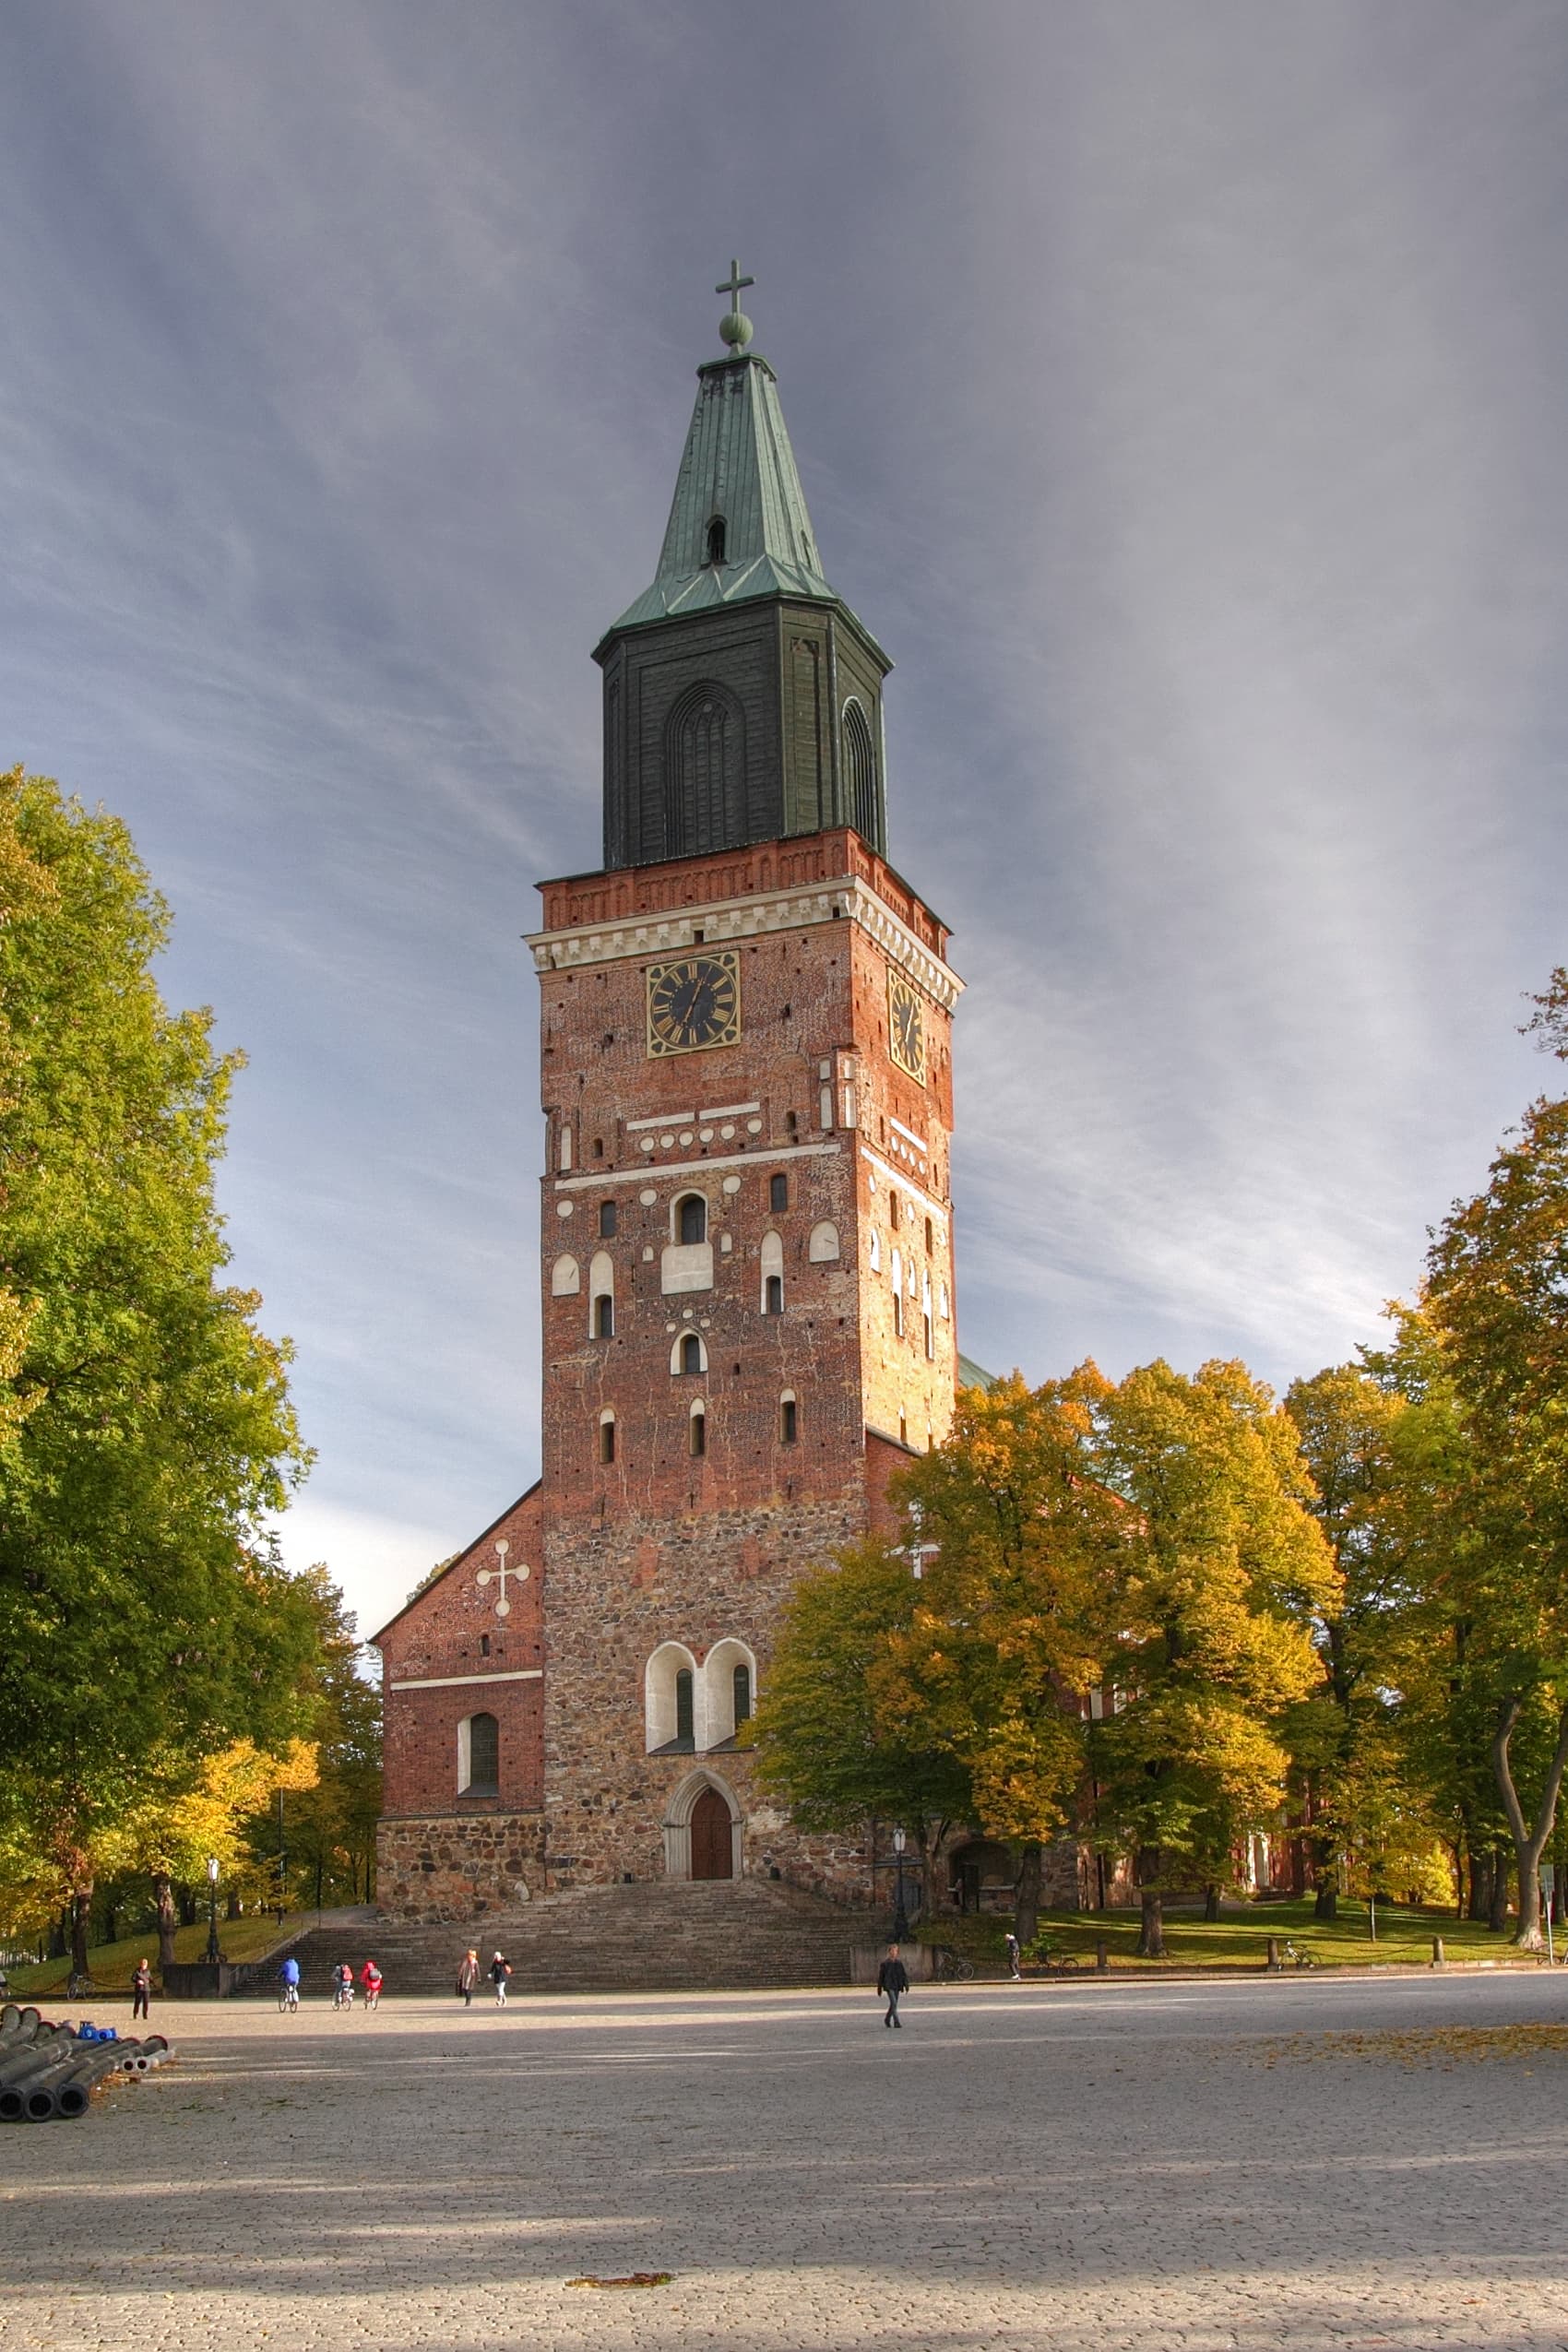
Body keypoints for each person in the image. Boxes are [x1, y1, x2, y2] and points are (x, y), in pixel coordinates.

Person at [876, 1942, 909, 2029]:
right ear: (889, 1952)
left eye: (896, 1951)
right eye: (892, 1951)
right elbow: (881, 1977)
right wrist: (879, 1988)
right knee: (894, 2002)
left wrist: (906, 1985)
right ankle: (896, 2022)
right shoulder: (885, 1964)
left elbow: (903, 1975)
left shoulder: (899, 1963)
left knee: (893, 2004)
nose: (894, 1952)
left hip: (897, 1985)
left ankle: (887, 2019)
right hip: (889, 1985)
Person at [131, 1957, 151, 2021]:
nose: (144, 1965)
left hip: (146, 1989)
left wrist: (150, 1982)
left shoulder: (148, 1971)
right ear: (141, 1964)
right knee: (137, 2002)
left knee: (146, 2002)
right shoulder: (137, 1971)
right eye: (143, 1964)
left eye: (145, 1964)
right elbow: (133, 1978)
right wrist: (138, 1981)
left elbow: (150, 1979)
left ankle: (145, 2015)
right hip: (139, 1989)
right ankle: (135, 2013)